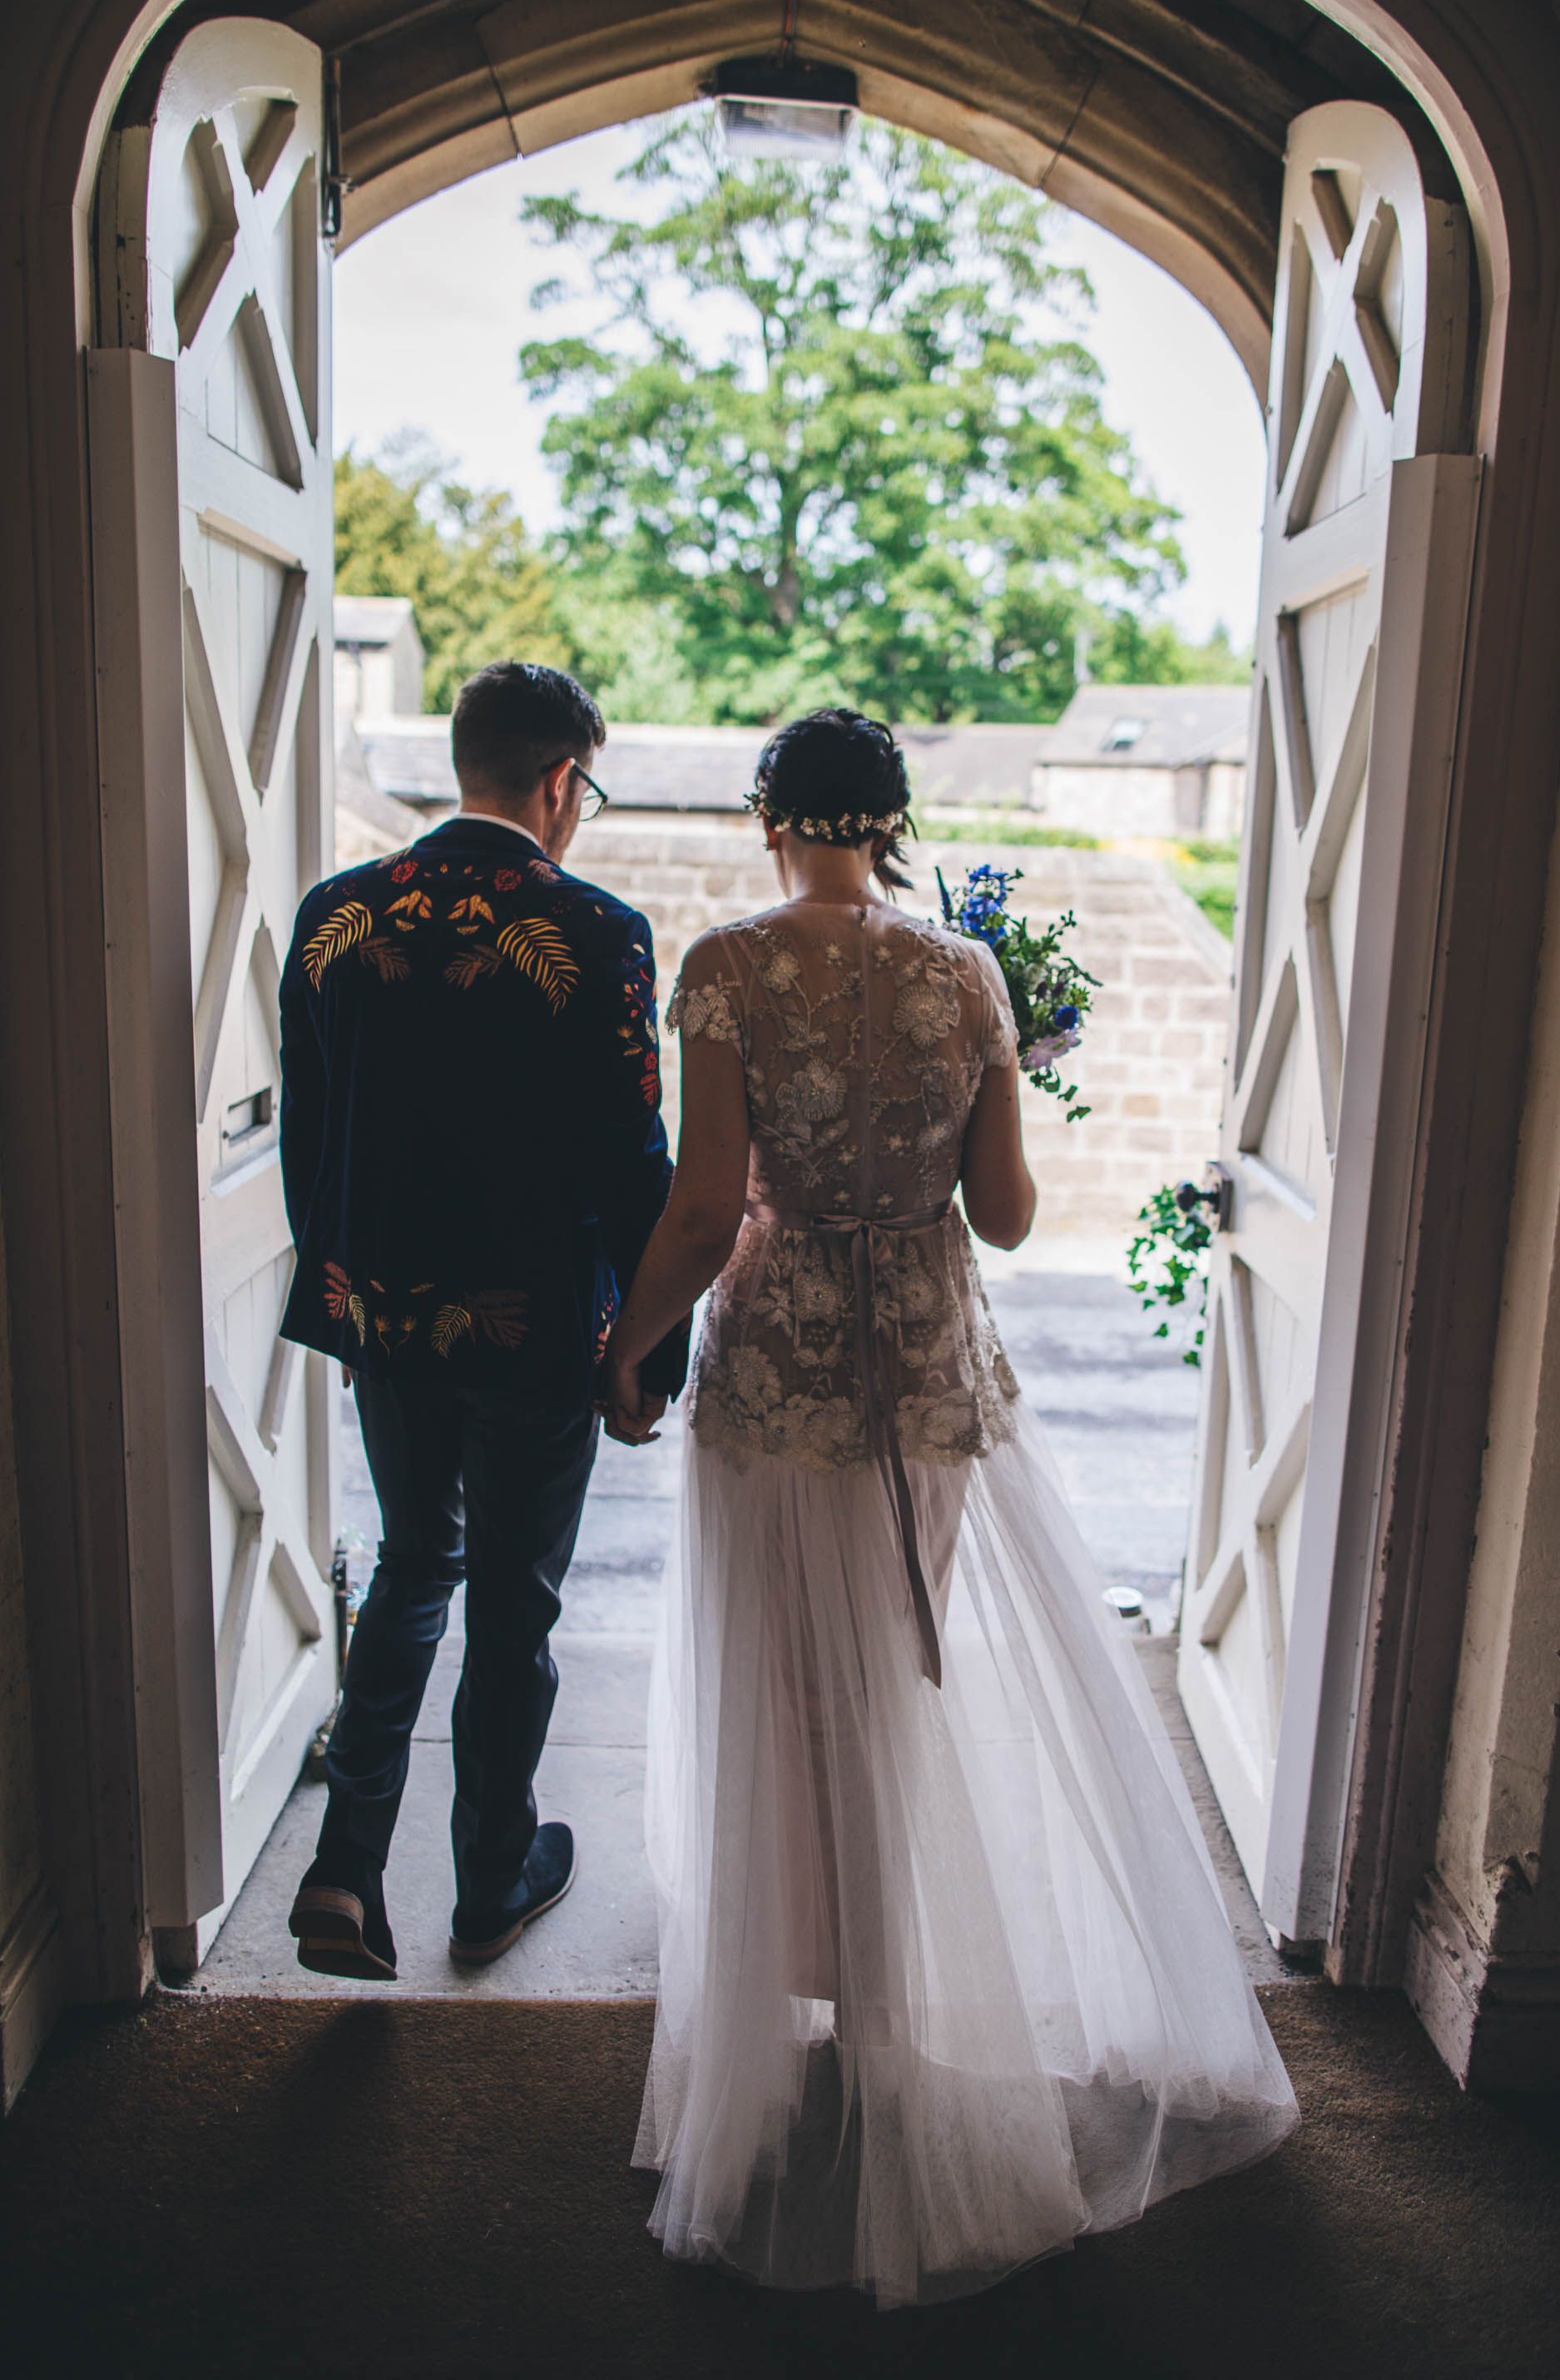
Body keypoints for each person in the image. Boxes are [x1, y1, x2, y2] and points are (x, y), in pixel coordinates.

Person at [603, 707, 1299, 2308]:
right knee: (893, 1699)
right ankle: (898, 2011)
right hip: (924, 1372)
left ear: (769, 809)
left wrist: (626, 1341)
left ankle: (794, 2034)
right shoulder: (967, 976)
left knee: (782, 1700)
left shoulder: (722, 962)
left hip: (778, 1374)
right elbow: (1002, 1213)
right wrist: (979, 1113)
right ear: (900, 817)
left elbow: (711, 1204)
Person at [278, 661, 686, 1980]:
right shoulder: (600, 931)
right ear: (564, 781)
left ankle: (344, 1868)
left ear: (467, 760)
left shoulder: (336, 915)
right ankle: (487, 1885)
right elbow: (633, 1163)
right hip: (531, 1326)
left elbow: (309, 1142)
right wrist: (647, 1351)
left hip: (386, 1313)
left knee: (411, 1565)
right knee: (512, 1605)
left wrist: (346, 1291)